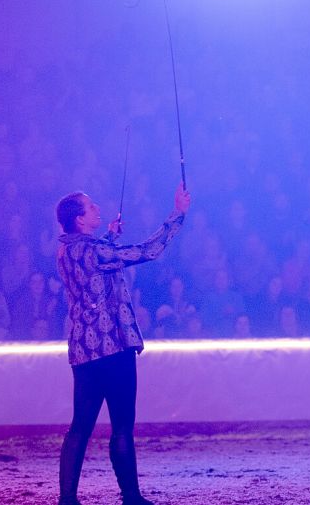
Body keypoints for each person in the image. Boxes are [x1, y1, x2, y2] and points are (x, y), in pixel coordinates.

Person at [55, 183, 190, 505]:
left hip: (84, 352)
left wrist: (110, 237)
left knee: (81, 426)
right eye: (91, 208)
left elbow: (94, 266)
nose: (97, 209)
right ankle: (131, 497)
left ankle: (67, 499)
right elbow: (148, 251)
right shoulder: (96, 250)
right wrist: (177, 215)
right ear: (79, 220)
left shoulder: (66, 250)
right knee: (122, 426)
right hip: (113, 348)